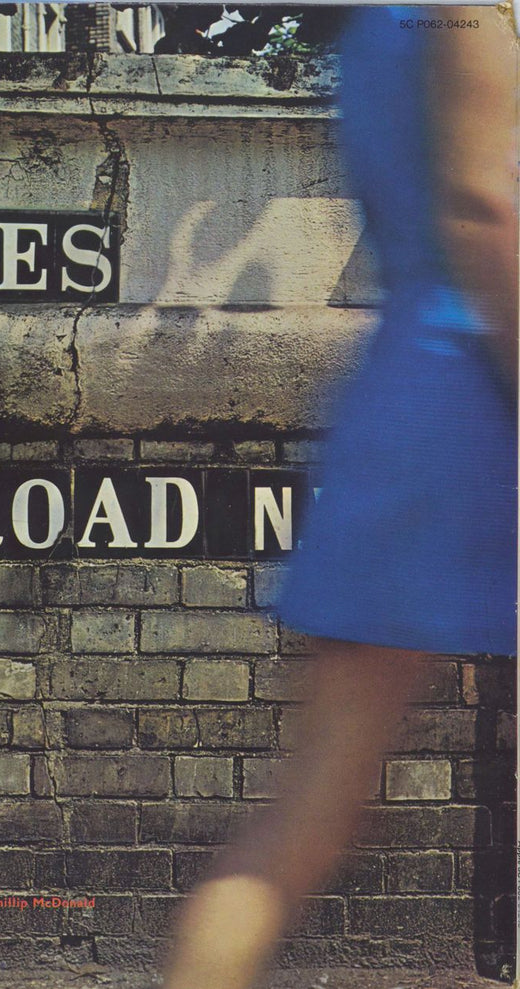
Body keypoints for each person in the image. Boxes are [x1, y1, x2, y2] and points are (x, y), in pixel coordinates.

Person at [163, 7, 518, 988]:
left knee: (306, 812)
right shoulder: (468, 10)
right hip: (476, 402)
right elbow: (481, 206)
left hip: (407, 395)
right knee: (309, 812)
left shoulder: (378, 24)